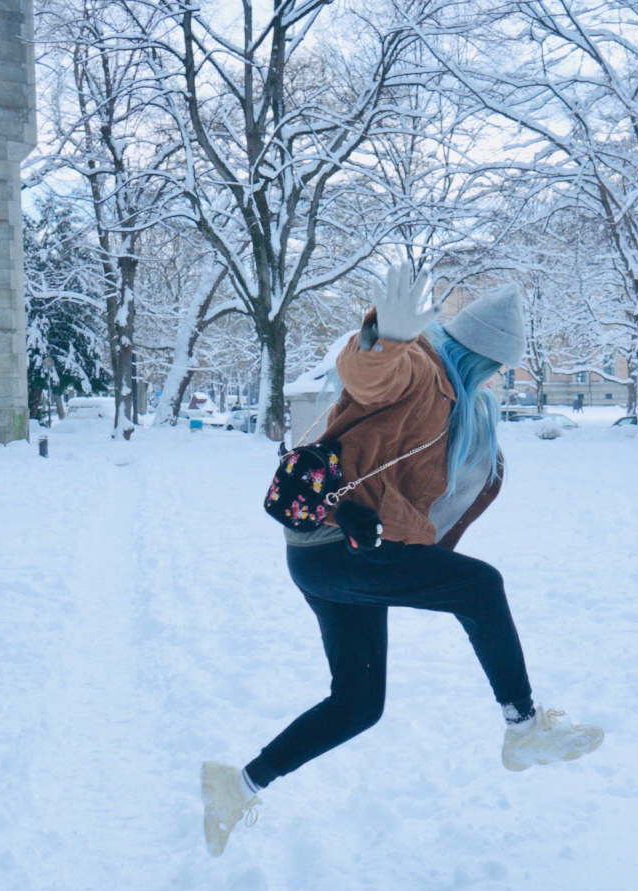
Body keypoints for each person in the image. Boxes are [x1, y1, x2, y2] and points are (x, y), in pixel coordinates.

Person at [201, 266, 605, 856]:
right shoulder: (422, 370)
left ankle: (236, 785)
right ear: (478, 358)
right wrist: (381, 339)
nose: (493, 382)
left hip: (330, 556)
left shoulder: (451, 400)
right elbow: (369, 376)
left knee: (358, 704)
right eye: (493, 370)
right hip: (337, 552)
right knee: (481, 587)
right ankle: (523, 727)